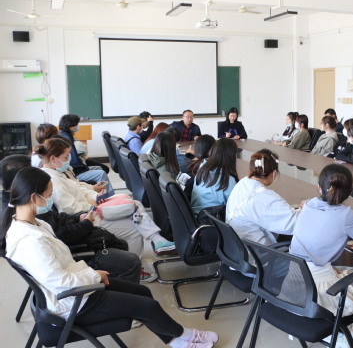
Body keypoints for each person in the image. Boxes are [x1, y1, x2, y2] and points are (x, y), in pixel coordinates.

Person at [0, 167, 219, 348]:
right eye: (48, 195)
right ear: (34, 197)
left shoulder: (34, 223)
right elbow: (60, 282)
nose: (50, 199)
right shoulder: (30, 241)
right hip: (72, 302)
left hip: (78, 284)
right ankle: (186, 336)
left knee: (143, 293)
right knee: (147, 307)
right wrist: (95, 276)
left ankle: (176, 340)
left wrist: (93, 275)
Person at [1, 156, 142, 283]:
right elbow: (62, 240)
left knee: (121, 244)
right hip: (74, 257)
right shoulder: (28, 219)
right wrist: (86, 224)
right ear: (23, 181)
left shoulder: (22, 209)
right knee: (128, 256)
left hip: (70, 256)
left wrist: (77, 218)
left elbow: (56, 218)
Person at [37, 138, 176, 261]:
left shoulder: (59, 173)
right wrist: (93, 203)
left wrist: (95, 195)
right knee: (135, 225)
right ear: (53, 158)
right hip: (88, 215)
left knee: (134, 204)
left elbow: (78, 187)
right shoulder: (54, 180)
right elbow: (70, 208)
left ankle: (157, 239)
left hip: (91, 207)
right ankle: (137, 266)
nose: (68, 160)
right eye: (66, 157)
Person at [290, 164, 353, 347]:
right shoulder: (347, 215)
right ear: (350, 190)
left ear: (319, 187)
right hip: (320, 293)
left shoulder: (308, 205)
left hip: (293, 286)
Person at [226, 149, 300, 245]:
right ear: (274, 174)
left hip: (237, 245)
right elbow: (295, 224)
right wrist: (307, 208)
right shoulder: (263, 197)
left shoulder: (243, 183)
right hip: (259, 250)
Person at [58, 114, 112, 189]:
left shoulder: (64, 135)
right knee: (101, 172)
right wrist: (85, 168)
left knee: (100, 168)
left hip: (73, 169)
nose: (78, 126)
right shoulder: (67, 139)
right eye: (77, 124)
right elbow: (74, 162)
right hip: (74, 172)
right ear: (71, 127)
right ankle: (108, 194)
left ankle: (99, 191)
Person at [191, 139, 239, 213]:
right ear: (232, 157)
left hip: (194, 214)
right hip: (213, 217)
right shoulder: (228, 180)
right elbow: (235, 208)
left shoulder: (202, 168)